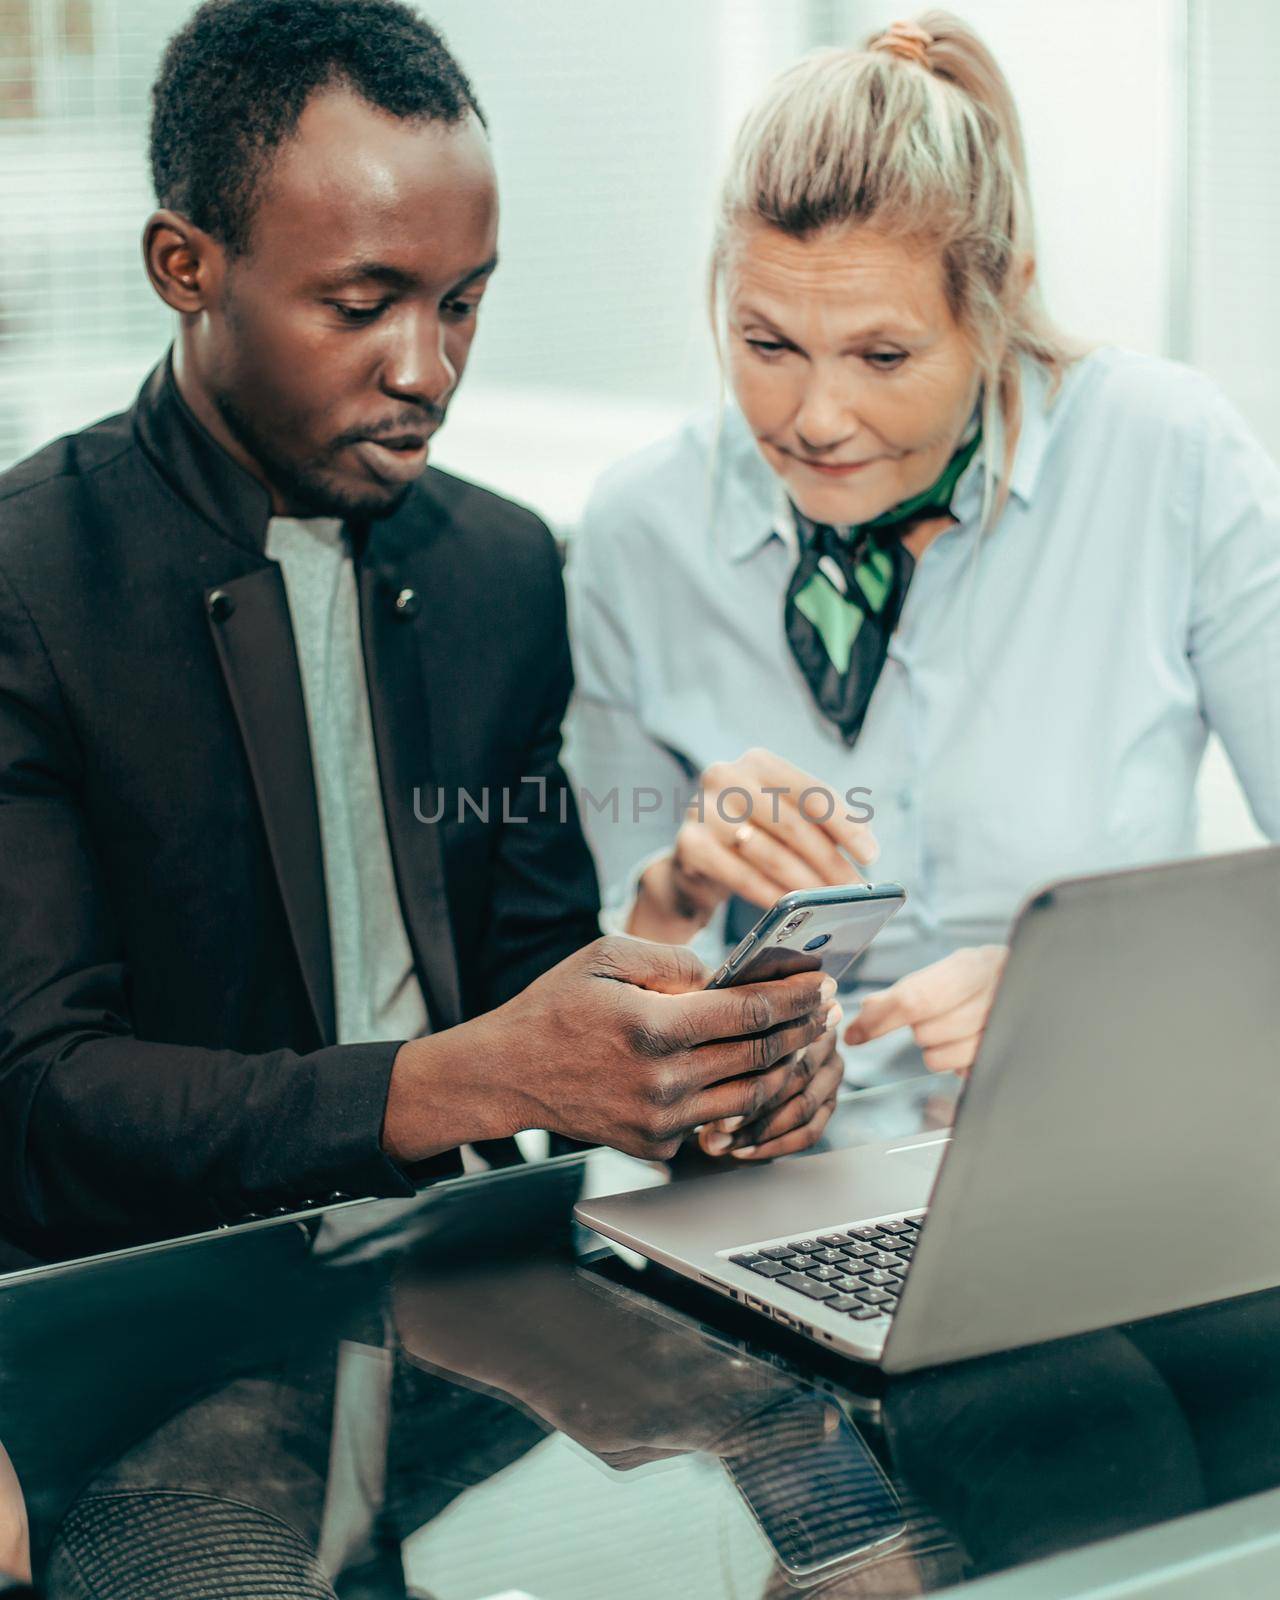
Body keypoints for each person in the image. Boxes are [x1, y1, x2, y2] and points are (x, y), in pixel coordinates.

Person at [0, 0, 840, 1263]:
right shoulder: (32, 581)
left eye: (461, 302)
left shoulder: (499, 565)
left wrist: (694, 1075)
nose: (428, 369)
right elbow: (41, 1103)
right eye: (362, 304)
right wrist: (462, 1082)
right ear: (186, 265)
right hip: (152, 1320)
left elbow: (535, 979)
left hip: (476, 1296)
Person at [567, 11, 1280, 1141]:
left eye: (881, 356)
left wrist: (1086, 996)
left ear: (998, 309)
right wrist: (680, 894)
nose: (814, 418)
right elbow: (613, 1011)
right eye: (765, 345)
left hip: (1116, 1140)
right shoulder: (638, 531)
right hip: (780, 1192)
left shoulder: (1169, 456)